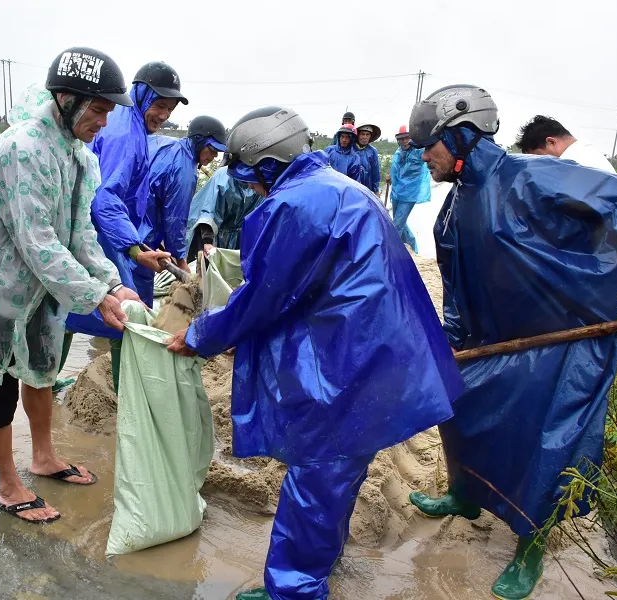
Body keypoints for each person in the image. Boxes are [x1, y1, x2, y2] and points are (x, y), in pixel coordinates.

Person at [166, 106, 463, 600]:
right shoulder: (340, 187)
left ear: (266, 165)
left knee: (317, 474)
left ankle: (295, 589)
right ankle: (322, 559)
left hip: (350, 358)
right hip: (383, 350)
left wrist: (199, 334)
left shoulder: (294, 204)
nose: (253, 189)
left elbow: (265, 295)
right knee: (340, 471)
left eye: (252, 177)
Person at [406, 84, 617, 600]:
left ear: (462, 136)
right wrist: (454, 344)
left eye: (431, 145)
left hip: (566, 343)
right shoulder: (451, 210)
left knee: (546, 450)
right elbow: (457, 291)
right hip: (497, 342)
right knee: (458, 412)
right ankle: (465, 495)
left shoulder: (535, 176)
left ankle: (530, 549)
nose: (425, 157)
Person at [0, 48, 141, 525]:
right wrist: (96, 298)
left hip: (37, 287)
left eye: (109, 111)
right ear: (66, 99)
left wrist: (111, 281)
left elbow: (78, 231)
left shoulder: (77, 157)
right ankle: (8, 485)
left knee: (42, 368)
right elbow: (37, 241)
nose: (104, 122)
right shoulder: (22, 149)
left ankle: (43, 457)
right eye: (99, 109)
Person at [64, 61, 188, 392]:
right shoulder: (124, 133)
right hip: (100, 235)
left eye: (170, 108)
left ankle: (47, 382)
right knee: (120, 318)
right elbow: (105, 200)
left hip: (104, 232)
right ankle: (124, 397)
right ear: (142, 94)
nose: (164, 115)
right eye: (160, 104)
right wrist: (134, 248)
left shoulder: (130, 126)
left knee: (69, 314)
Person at [143, 115, 227, 268]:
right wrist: (180, 260)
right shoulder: (185, 169)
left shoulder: (166, 143)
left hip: (124, 223)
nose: (214, 156)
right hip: (143, 233)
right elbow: (175, 218)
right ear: (199, 141)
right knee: (136, 286)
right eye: (212, 150)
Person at [186, 168, 265, 260]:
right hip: (208, 232)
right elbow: (208, 213)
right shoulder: (223, 178)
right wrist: (207, 241)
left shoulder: (260, 179)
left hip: (238, 236)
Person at [517, 114, 616, 172]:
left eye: (540, 157)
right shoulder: (590, 155)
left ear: (551, 142)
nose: (540, 164)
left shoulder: (573, 166)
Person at [385, 125, 430, 252]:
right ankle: (413, 247)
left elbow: (429, 159)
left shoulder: (419, 151)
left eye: (407, 138)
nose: (405, 141)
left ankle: (391, 251)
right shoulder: (399, 152)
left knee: (397, 224)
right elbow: (397, 169)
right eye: (402, 139)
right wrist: (390, 176)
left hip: (410, 193)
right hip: (397, 192)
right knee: (400, 223)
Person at [355, 123, 382, 194]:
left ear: (370, 136)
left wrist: (376, 190)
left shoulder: (373, 151)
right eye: (362, 134)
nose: (364, 137)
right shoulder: (351, 148)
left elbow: (376, 171)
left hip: (367, 187)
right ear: (357, 135)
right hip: (352, 186)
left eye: (367, 134)